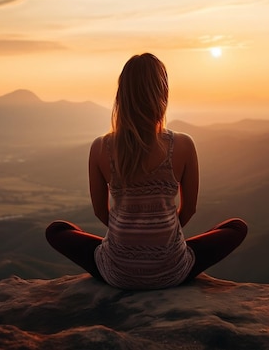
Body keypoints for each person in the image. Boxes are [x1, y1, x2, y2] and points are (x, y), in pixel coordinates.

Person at [45, 53, 247, 290]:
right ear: (162, 94)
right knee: (236, 228)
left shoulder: (101, 147)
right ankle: (159, 253)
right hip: (172, 271)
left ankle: (126, 252)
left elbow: (101, 212)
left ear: (122, 95)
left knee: (57, 230)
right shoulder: (183, 144)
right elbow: (189, 209)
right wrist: (159, 240)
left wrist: (130, 238)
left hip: (117, 273)